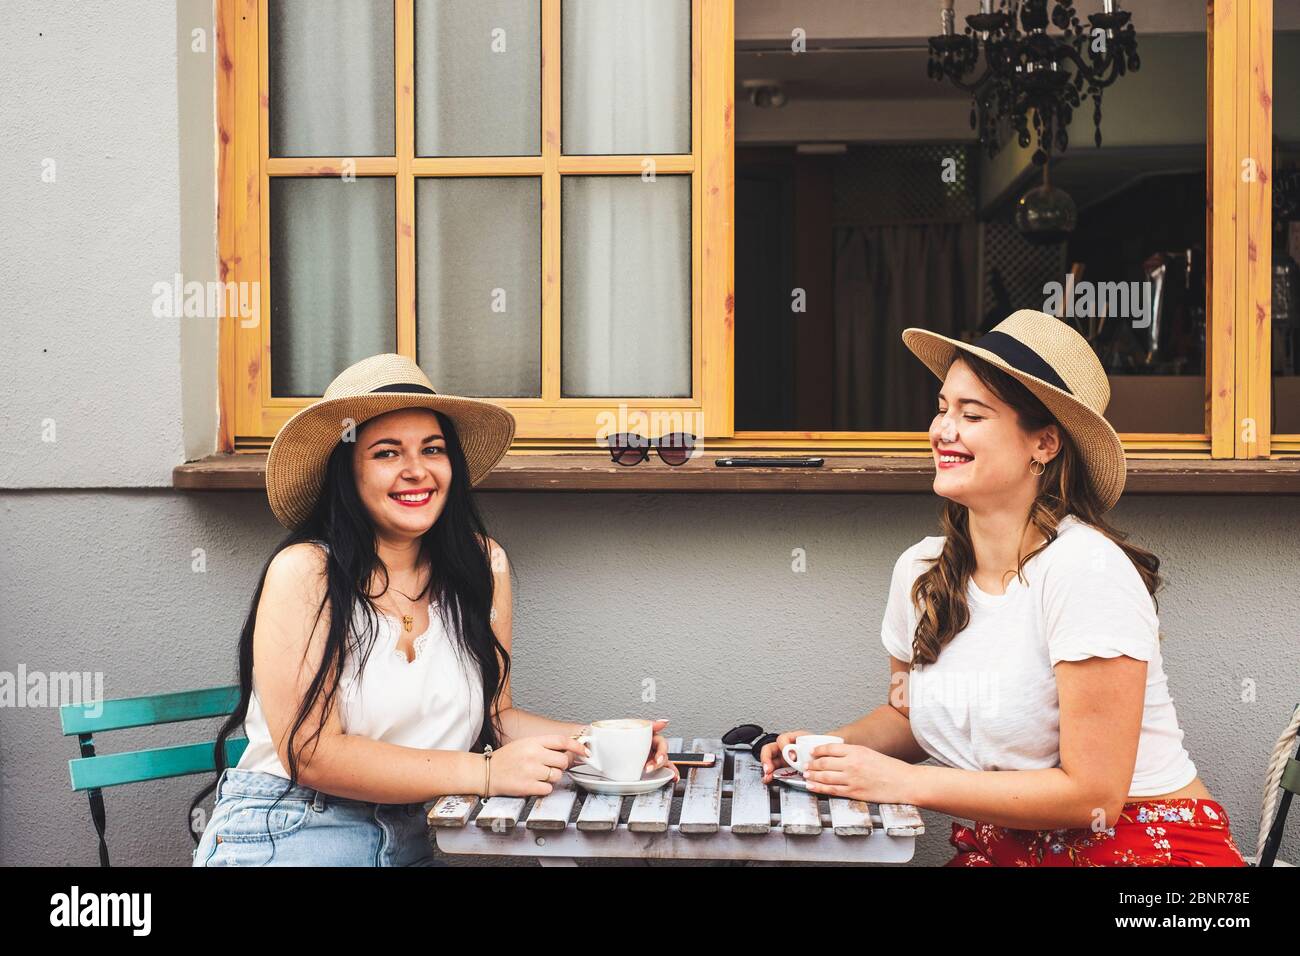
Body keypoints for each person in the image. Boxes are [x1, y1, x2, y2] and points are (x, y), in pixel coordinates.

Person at [761, 310, 1248, 866]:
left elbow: (1094, 797)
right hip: (1009, 847)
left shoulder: (1085, 572)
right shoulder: (921, 570)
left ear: (1043, 443)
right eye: (942, 408)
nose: (943, 430)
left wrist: (903, 783)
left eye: (972, 415)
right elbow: (911, 715)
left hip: (1143, 848)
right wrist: (832, 751)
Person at [191, 354, 675, 866]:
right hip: (292, 827)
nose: (416, 470)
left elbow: (495, 716)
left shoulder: (483, 565)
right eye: (386, 453)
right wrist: (486, 773)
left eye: (433, 449)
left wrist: (600, 745)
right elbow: (311, 753)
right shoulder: (305, 571)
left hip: (413, 837)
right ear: (346, 471)